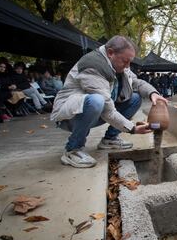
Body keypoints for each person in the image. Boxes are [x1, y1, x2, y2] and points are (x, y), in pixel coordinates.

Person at [50, 36, 167, 168]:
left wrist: (153, 93)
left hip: (96, 113)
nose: (128, 66)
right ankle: (72, 149)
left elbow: (137, 82)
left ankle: (110, 139)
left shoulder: (118, 64)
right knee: (96, 101)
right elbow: (107, 110)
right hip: (70, 116)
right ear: (111, 53)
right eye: (125, 61)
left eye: (130, 61)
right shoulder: (93, 65)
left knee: (135, 98)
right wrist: (132, 128)